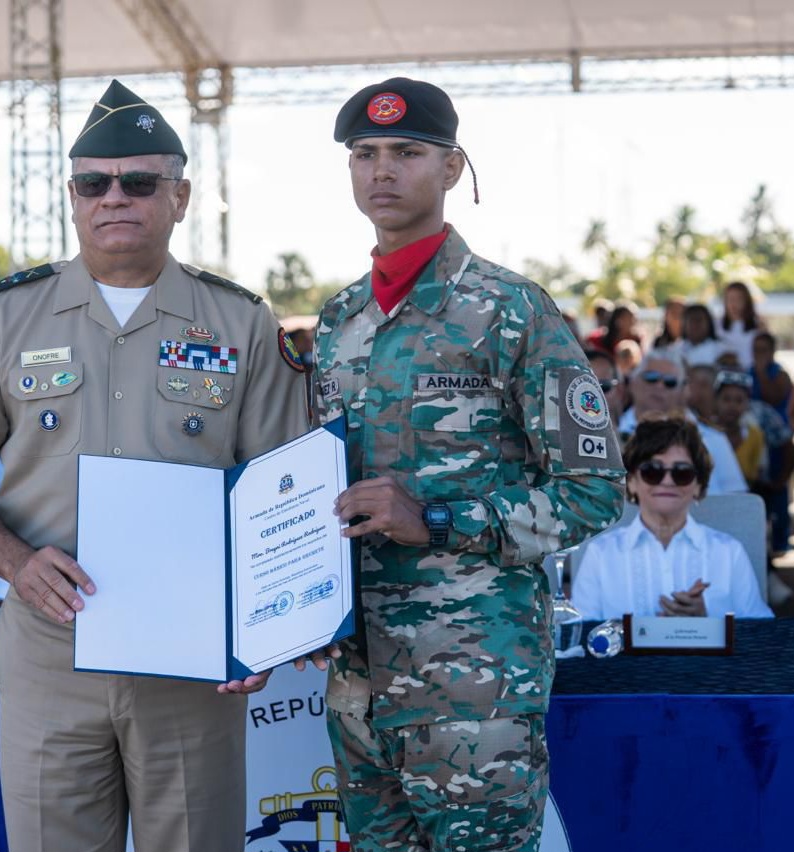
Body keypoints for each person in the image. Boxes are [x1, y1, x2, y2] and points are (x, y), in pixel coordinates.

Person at [0, 79, 309, 852]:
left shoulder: (240, 319)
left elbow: (280, 491)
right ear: (72, 195)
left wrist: (265, 627)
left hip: (192, 663)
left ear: (181, 196)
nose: (114, 197)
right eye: (94, 182)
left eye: (139, 181)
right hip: (51, 654)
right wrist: (17, 564)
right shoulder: (6, 315)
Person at [305, 77, 625, 852]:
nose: (382, 170)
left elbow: (594, 492)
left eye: (407, 152)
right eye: (365, 154)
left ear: (451, 170)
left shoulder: (512, 310)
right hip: (357, 683)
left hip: (474, 689)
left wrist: (440, 520)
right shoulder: (338, 322)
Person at [573, 414, 773, 620]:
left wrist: (709, 617)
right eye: (652, 470)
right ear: (631, 481)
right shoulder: (601, 554)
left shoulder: (729, 553)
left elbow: (761, 629)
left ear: (698, 485)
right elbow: (579, 636)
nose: (667, 481)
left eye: (682, 472)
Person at [620, 350, 747, 494]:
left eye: (670, 382)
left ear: (683, 391)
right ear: (632, 383)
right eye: (651, 378)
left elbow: (738, 504)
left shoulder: (713, 440)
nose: (660, 386)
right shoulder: (610, 435)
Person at [712, 370, 765, 486]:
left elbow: (756, 476)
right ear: (716, 400)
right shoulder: (703, 432)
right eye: (726, 399)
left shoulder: (755, 435)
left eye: (739, 400)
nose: (732, 406)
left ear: (747, 404)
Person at [717, 281, 764, 370]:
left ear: (747, 301)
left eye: (738, 299)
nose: (733, 304)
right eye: (730, 299)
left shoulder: (758, 326)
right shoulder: (716, 326)